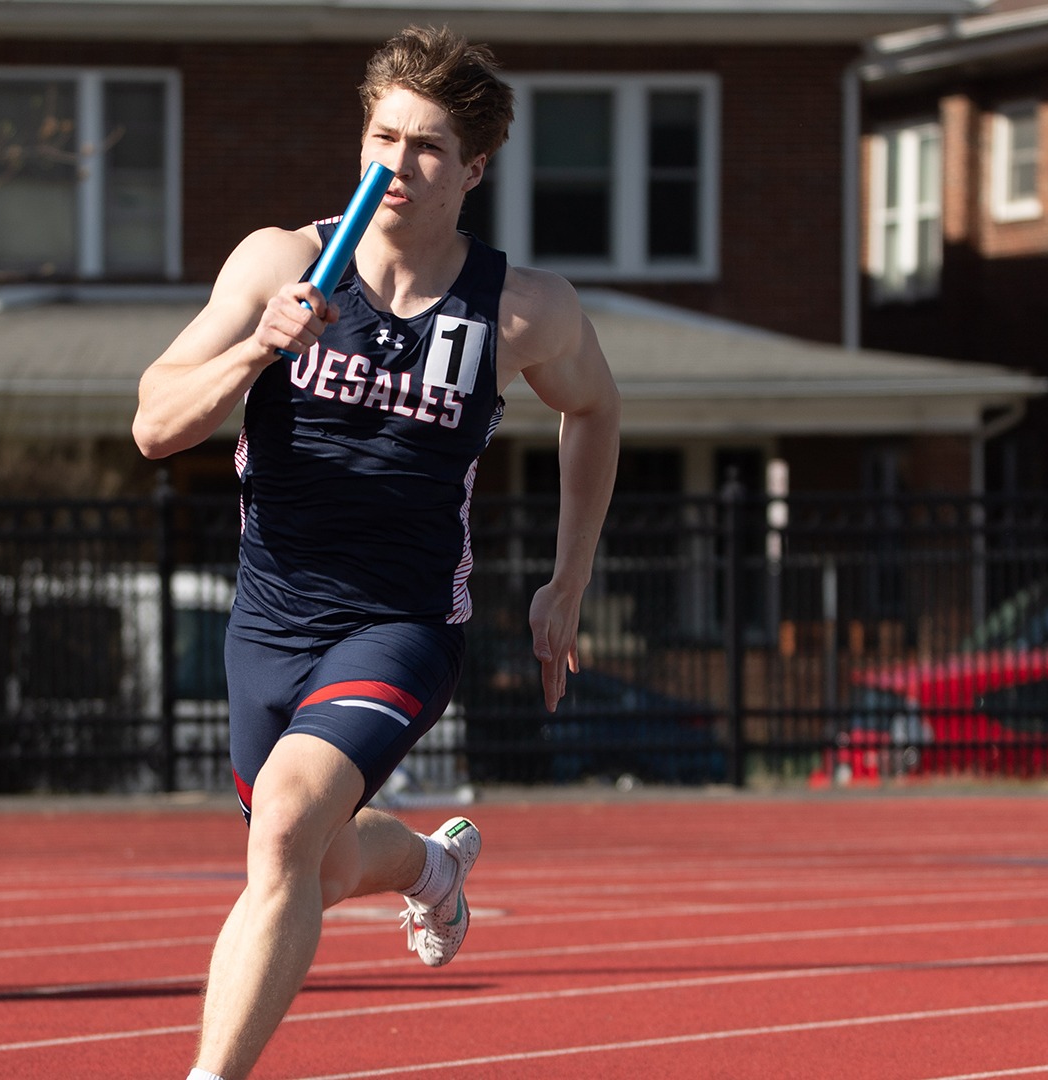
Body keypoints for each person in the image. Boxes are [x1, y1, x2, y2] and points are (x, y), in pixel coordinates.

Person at [132, 25, 621, 1080]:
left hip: (400, 621)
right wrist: (262, 346)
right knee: (316, 857)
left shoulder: (521, 309)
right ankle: (432, 869)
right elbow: (155, 423)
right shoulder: (281, 262)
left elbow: (597, 415)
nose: (399, 165)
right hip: (270, 618)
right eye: (383, 137)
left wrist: (566, 581)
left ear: (475, 168)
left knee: (283, 839)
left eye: (430, 147)